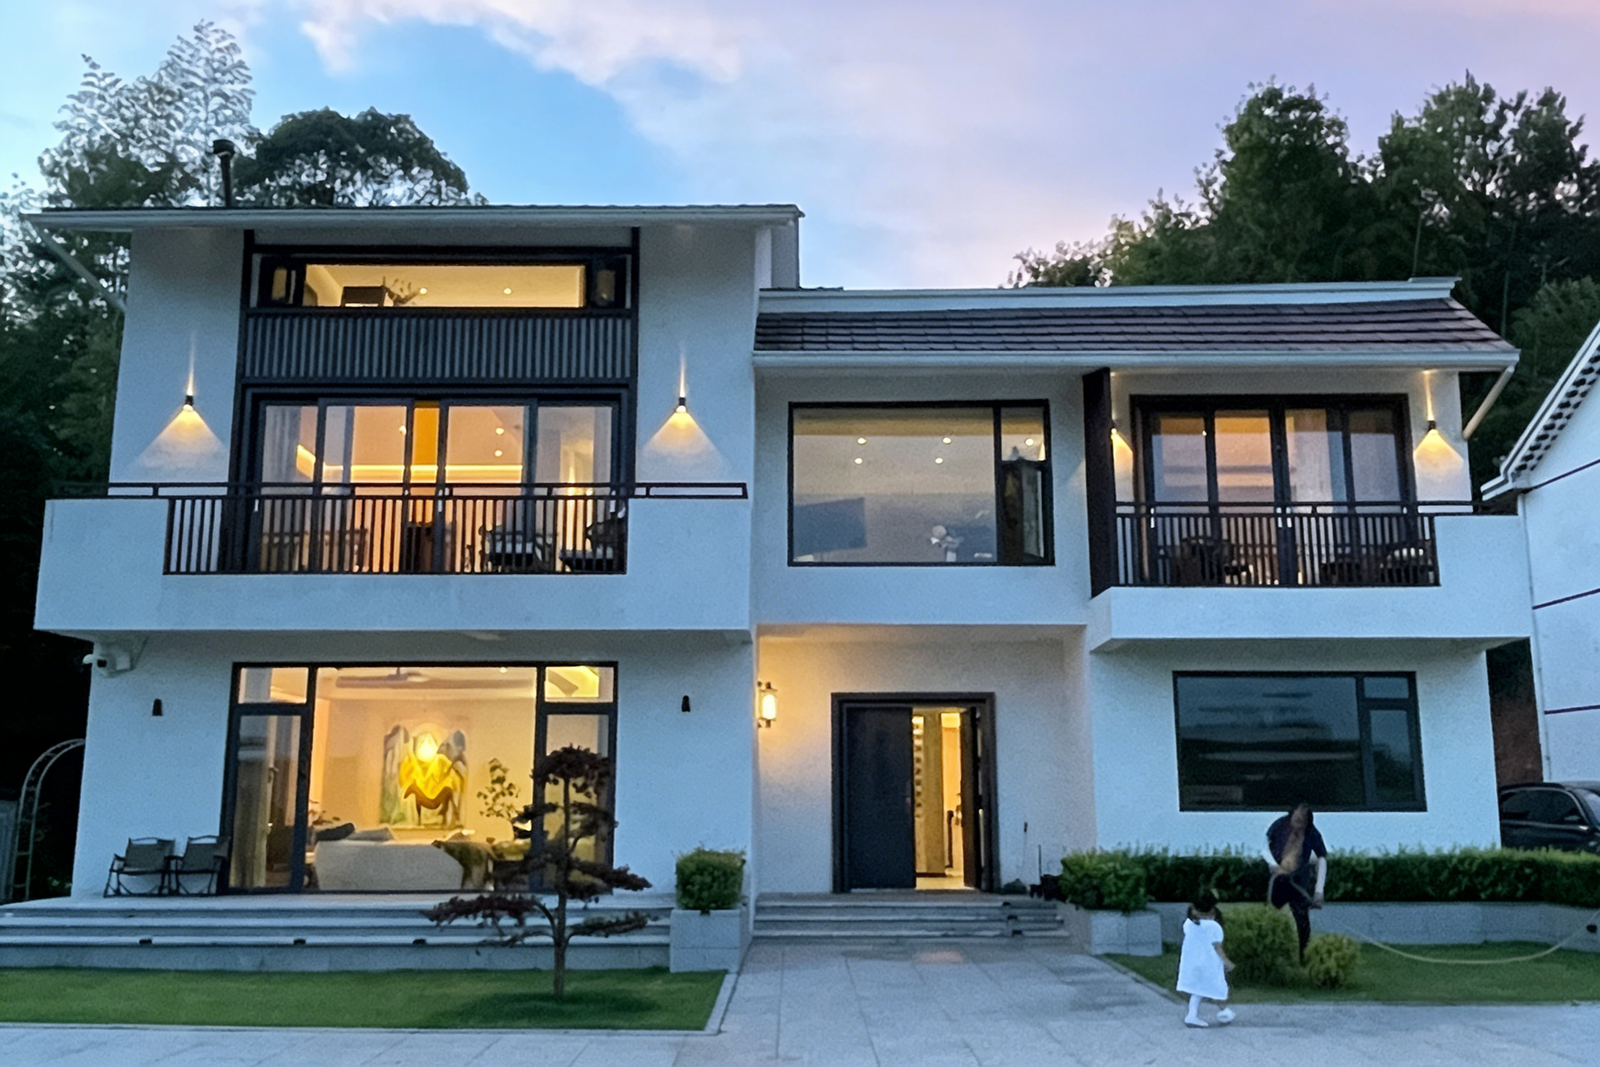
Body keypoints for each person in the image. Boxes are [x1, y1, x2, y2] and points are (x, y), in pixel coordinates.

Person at [1263, 802, 1328, 961]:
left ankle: (1303, 956)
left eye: (1303, 819)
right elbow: (1265, 846)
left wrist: (1319, 891)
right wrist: (1273, 864)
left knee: (1301, 919)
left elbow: (1321, 859)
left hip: (1299, 880)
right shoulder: (1279, 826)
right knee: (1272, 916)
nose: (1299, 821)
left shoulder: (1312, 833)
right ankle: (1272, 953)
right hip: (1279, 879)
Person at [1176, 890, 1235, 1028]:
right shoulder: (1214, 927)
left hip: (1192, 962)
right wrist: (1227, 962)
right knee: (1216, 988)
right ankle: (1225, 1011)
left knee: (1198, 990)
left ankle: (1192, 1015)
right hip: (1209, 963)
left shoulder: (1188, 924)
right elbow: (1218, 947)